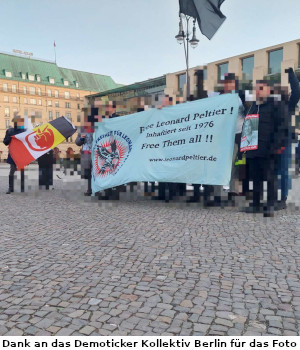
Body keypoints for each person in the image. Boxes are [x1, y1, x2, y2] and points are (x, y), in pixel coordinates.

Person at [243, 79, 288, 216]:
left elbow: (282, 126)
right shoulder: (253, 106)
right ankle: (256, 204)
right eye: (256, 89)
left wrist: (276, 147)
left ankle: (270, 205)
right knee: (255, 178)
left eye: (261, 88)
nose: (257, 91)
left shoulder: (276, 104)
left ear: (268, 90)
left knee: (270, 178)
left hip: (269, 149)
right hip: (253, 149)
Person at [276, 68, 300, 209]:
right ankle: (275, 196)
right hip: (271, 141)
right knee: (274, 171)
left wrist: (291, 75)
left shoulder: (289, 106)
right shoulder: (271, 106)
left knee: (284, 170)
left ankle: (283, 199)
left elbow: (297, 91)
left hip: (284, 140)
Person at [3, 116, 26, 194]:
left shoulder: (24, 131)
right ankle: (11, 188)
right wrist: (9, 138)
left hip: (21, 154)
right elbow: (5, 142)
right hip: (13, 153)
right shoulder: (9, 131)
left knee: (21, 171)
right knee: (12, 171)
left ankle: (22, 187)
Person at [75, 116, 94, 196]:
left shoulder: (96, 130)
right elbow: (77, 142)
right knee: (87, 173)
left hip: (95, 154)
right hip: (86, 155)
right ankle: (90, 188)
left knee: (95, 173)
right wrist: (81, 139)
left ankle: (93, 189)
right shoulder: (82, 131)